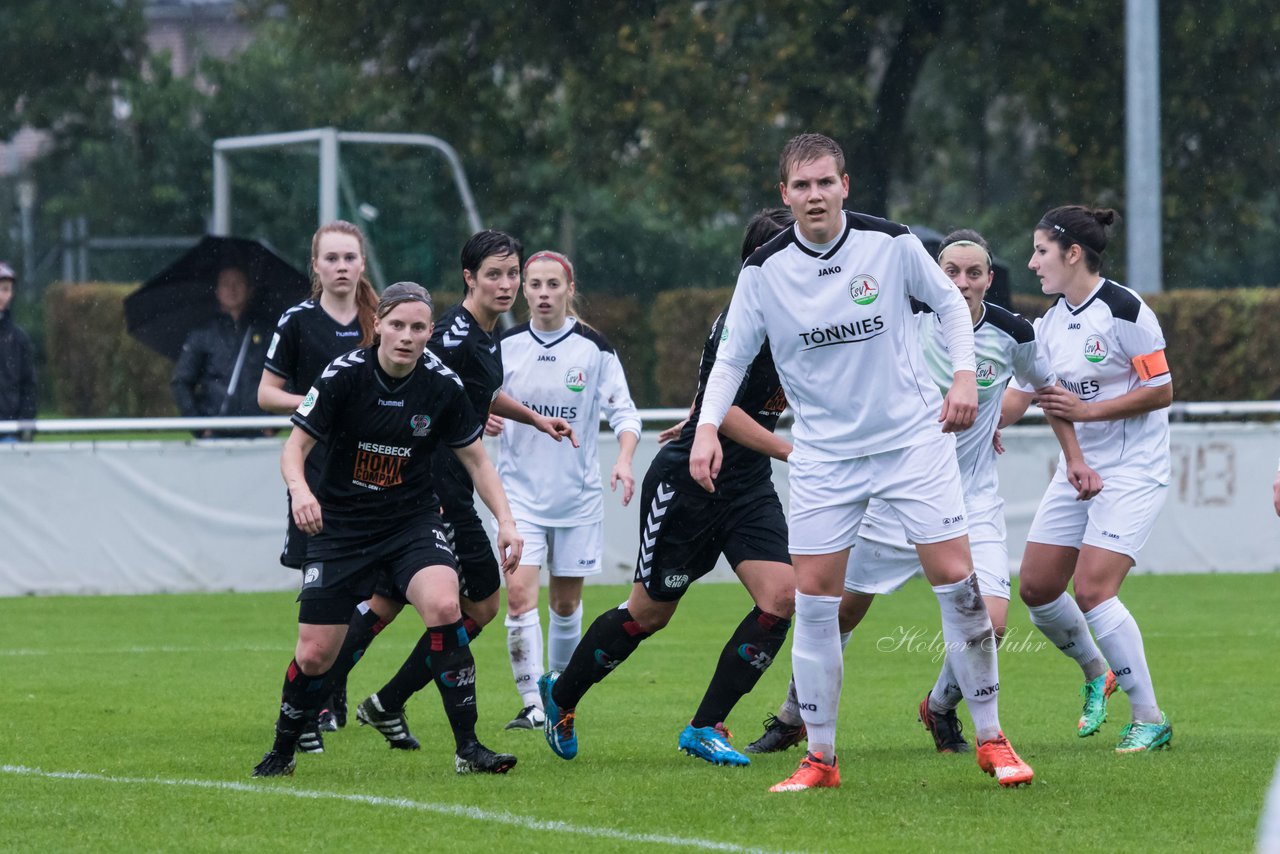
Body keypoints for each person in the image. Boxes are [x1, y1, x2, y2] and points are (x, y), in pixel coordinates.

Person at [689, 133, 1033, 792]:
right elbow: (731, 355)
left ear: (845, 185)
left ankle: (993, 740)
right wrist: (708, 430)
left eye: (825, 183)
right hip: (824, 457)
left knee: (960, 587)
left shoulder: (891, 243)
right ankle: (820, 758)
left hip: (911, 445)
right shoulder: (764, 269)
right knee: (817, 605)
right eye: (801, 186)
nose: (814, 196)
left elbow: (951, 310)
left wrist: (964, 377)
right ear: (784, 194)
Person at [746, 229, 1099, 757]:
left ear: (989, 279)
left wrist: (1072, 455)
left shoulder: (1013, 332)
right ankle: (796, 715)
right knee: (837, 612)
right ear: (933, 275)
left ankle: (939, 706)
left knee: (992, 623)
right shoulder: (900, 319)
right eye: (949, 272)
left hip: (969, 498)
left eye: (973, 272)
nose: (960, 282)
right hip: (889, 495)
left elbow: (1045, 389)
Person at [537, 209, 797, 767]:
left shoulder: (805, 318)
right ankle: (561, 695)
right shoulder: (741, 321)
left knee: (781, 599)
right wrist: (790, 450)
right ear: (757, 265)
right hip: (688, 485)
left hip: (747, 484)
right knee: (649, 614)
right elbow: (720, 407)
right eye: (785, 252)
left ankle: (705, 726)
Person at [251, 281, 524, 778]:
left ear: (428, 333)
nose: (407, 336)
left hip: (411, 522)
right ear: (378, 325)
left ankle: (469, 748)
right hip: (341, 527)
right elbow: (294, 449)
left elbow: (479, 463)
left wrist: (506, 522)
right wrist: (301, 492)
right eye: (397, 325)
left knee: (445, 606)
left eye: (418, 327)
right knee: (314, 654)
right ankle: (282, 748)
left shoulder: (442, 385)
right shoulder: (343, 376)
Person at [326, 231, 577, 751]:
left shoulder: (482, 335)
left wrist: (531, 418)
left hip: (446, 489)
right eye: (494, 275)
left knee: (391, 602)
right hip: (434, 492)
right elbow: (411, 398)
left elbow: (475, 396)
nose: (507, 285)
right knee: (477, 606)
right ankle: (337, 695)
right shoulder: (449, 336)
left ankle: (373, 701)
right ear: (469, 278)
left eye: (512, 275)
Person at [1008, 205, 1174, 754]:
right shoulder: (1050, 323)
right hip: (1081, 466)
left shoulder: (1126, 310)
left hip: (1134, 469)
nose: (1032, 263)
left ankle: (1150, 717)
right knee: (1035, 587)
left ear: (1072, 254)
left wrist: (1088, 415)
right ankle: (1097, 671)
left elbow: (1161, 390)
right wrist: (1073, 458)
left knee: (1094, 589)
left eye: (1041, 251)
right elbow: (1044, 399)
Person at [481, 249, 641, 730]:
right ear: (524, 290)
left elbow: (625, 413)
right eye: (535, 284)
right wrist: (484, 416)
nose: (544, 293)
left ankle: (560, 697)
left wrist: (626, 461)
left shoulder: (594, 348)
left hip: (576, 499)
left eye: (554, 284)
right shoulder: (503, 346)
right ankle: (532, 703)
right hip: (518, 498)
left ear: (570, 289)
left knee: (566, 605)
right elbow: (474, 401)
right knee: (518, 597)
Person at [170, 266, 271, 437]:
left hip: (258, 431)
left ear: (249, 289)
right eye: (226, 284)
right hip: (215, 433)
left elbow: (284, 377)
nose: (232, 289)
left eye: (238, 283)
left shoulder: (266, 332)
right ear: (217, 291)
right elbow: (181, 382)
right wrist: (199, 426)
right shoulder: (202, 334)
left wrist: (271, 423)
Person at [0, 262, 37, 443]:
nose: (2, 295)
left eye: (6, 289)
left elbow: (28, 385)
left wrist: (27, 426)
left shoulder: (19, 339)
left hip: (9, 431)